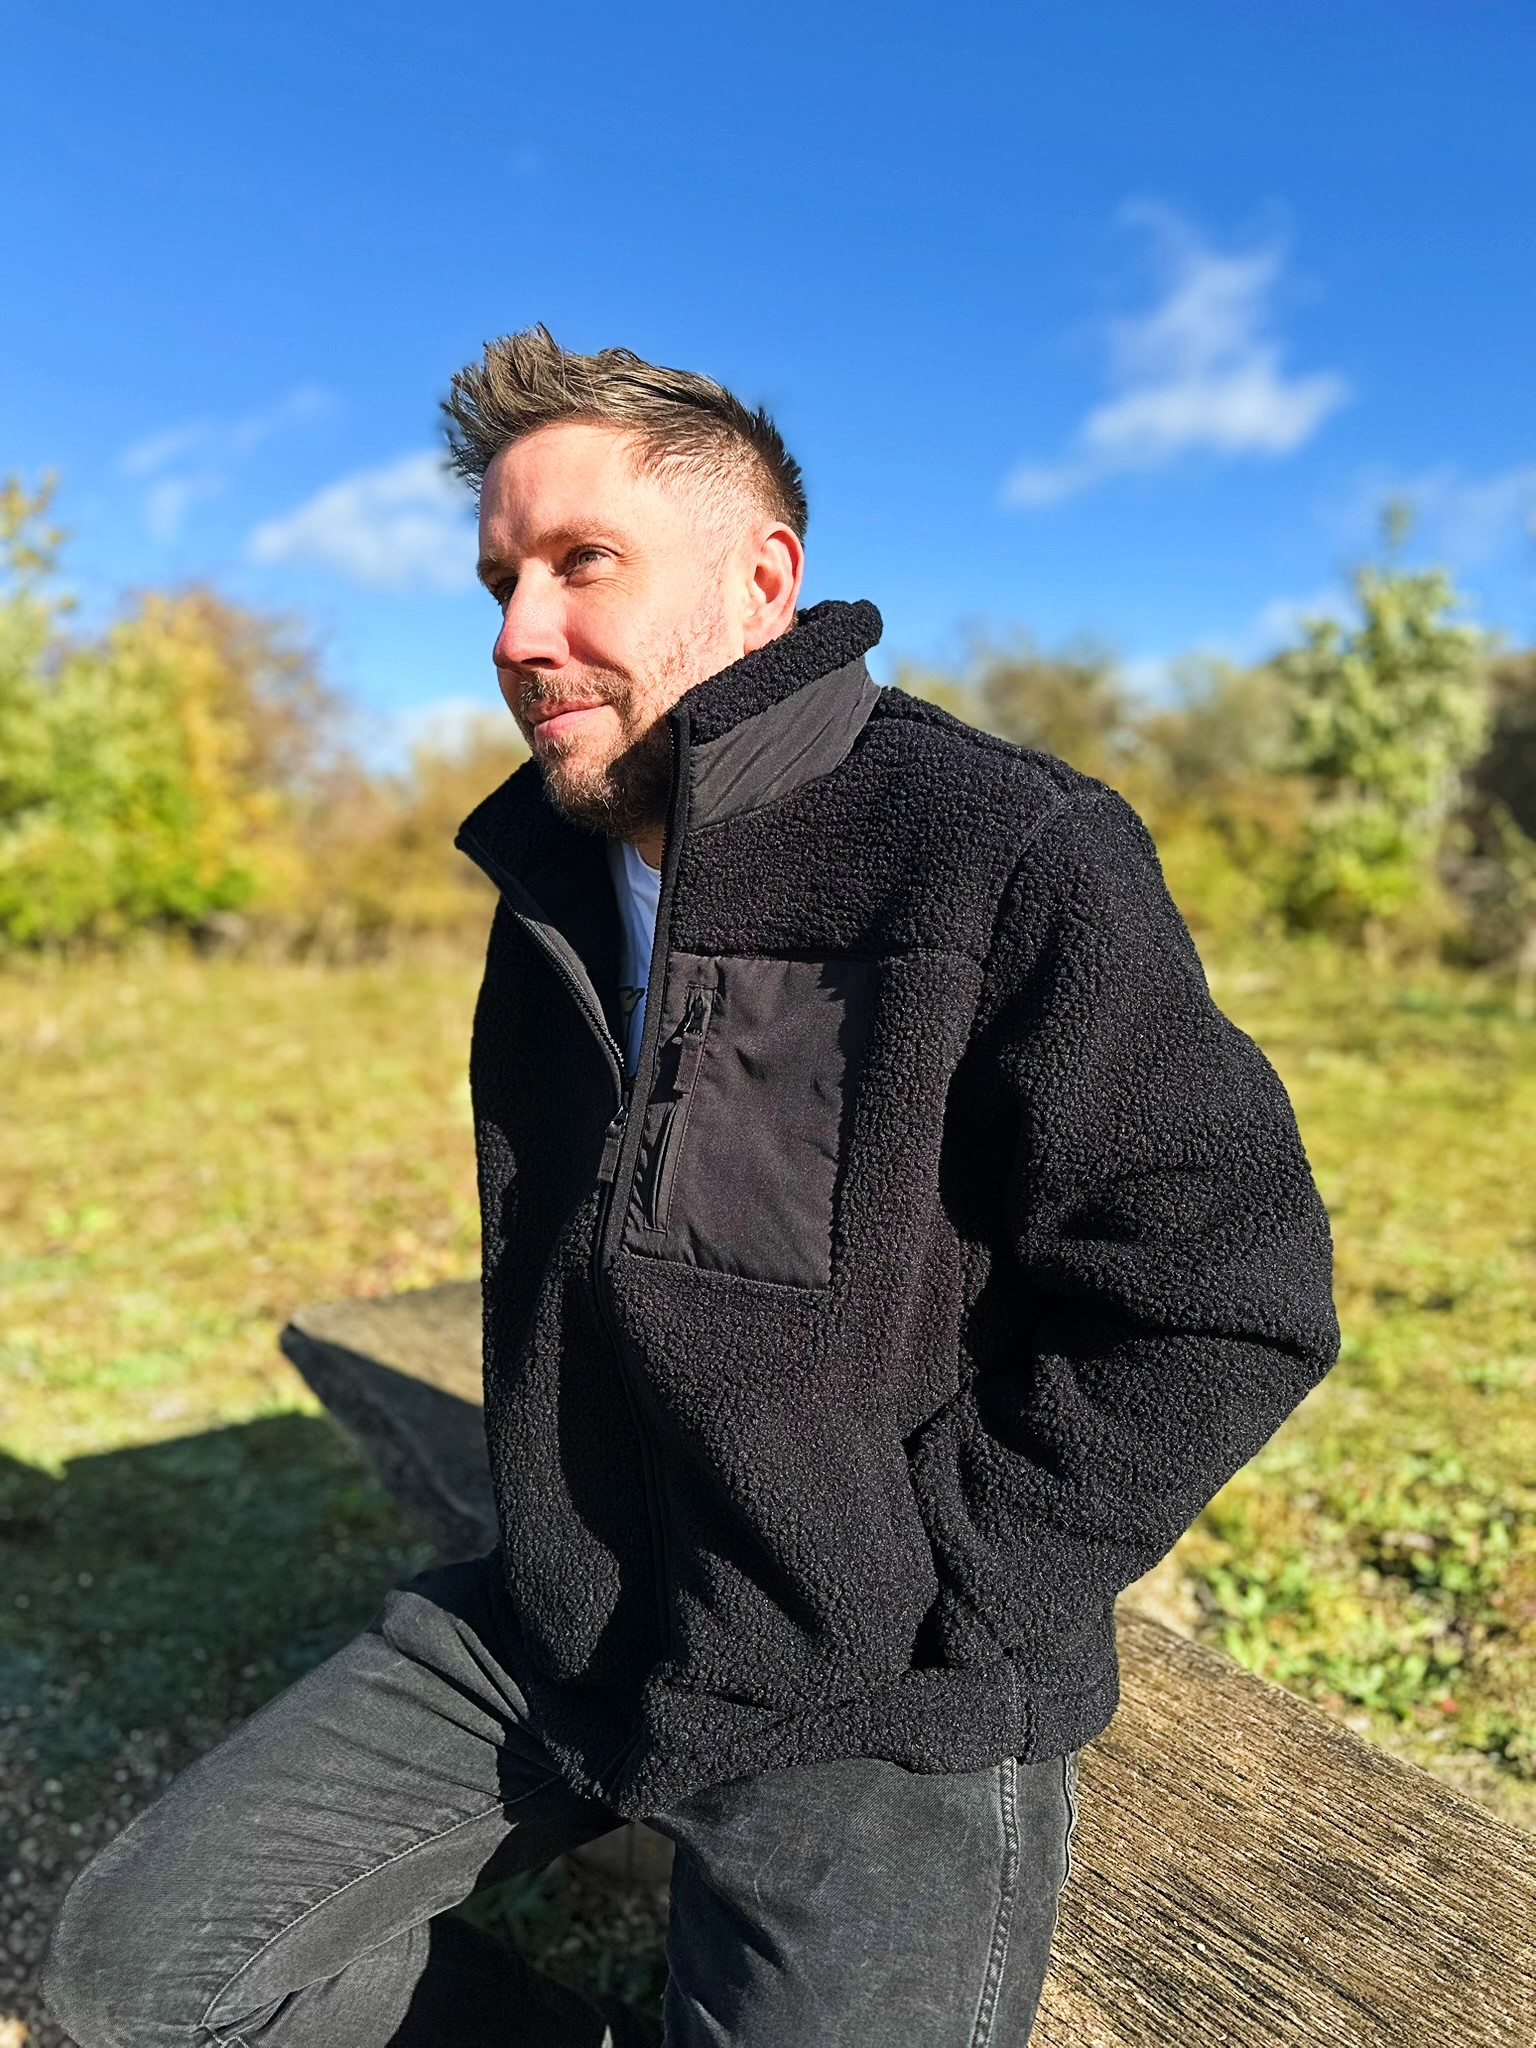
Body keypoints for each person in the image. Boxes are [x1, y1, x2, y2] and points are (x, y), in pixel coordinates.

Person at [44, 328, 1339, 2047]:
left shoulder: (1002, 848)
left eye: (583, 562)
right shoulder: (552, 880)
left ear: (763, 578)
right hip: (572, 1617)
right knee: (133, 1975)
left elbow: (1228, 1295)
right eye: (500, 579)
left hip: (868, 1691)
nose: (518, 634)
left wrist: (934, 1592)